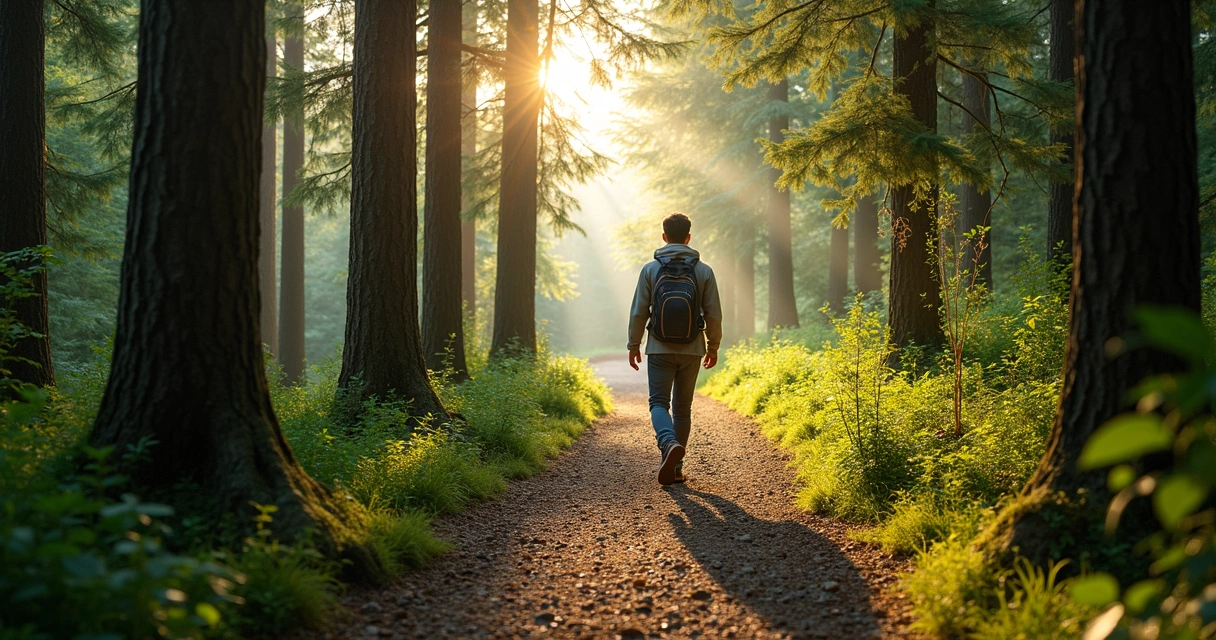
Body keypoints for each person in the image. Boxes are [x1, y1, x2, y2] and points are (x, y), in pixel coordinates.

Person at [627, 212, 722, 485]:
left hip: (658, 347)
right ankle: (677, 467)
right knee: (682, 409)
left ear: (664, 237)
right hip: (692, 348)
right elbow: (714, 314)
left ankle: (667, 444)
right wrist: (712, 347)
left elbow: (638, 312)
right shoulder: (704, 271)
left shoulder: (650, 269)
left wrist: (634, 345)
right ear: (689, 237)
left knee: (658, 402)